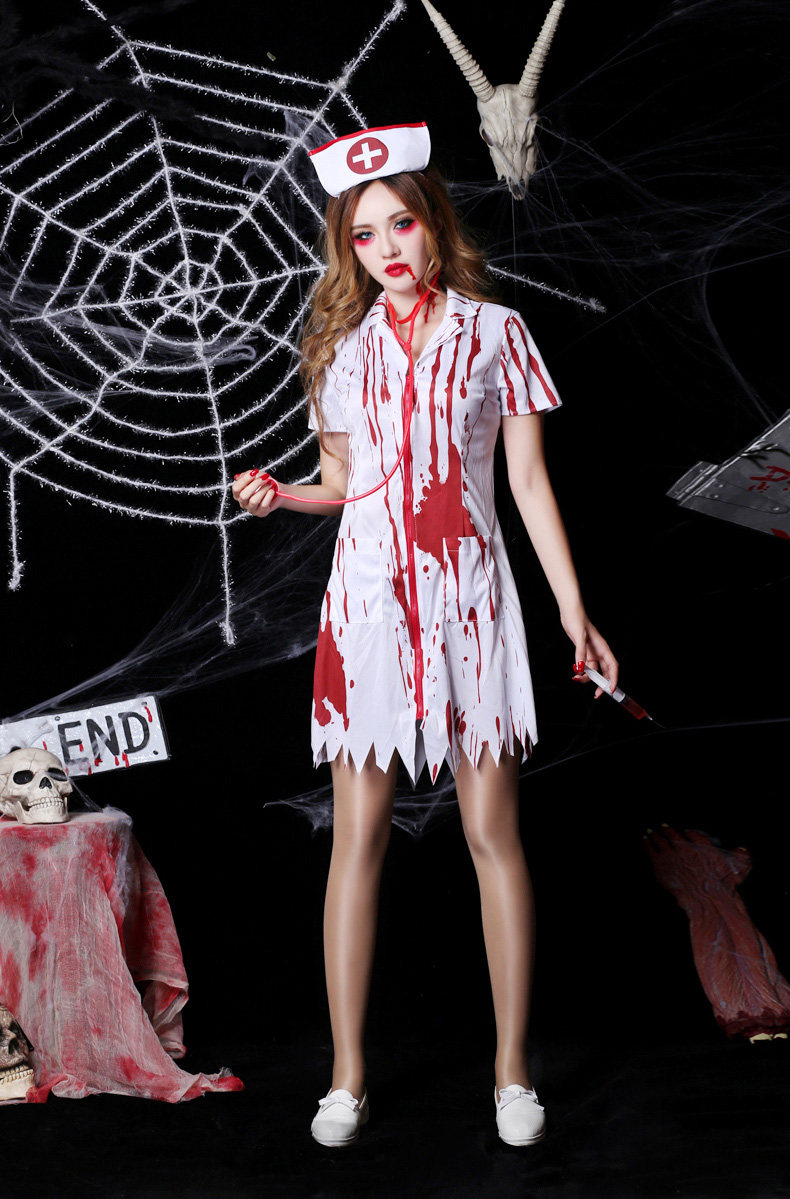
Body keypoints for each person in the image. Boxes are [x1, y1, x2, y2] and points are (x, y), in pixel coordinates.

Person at [232, 122, 618, 1148]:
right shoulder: (340, 349)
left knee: (494, 832)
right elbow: (346, 484)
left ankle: (511, 1073)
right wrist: (283, 494)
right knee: (355, 836)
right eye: (363, 236)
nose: (387, 249)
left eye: (401, 224)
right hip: (366, 608)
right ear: (347, 249)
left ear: (435, 222)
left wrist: (573, 608)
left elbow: (528, 482)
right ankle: (346, 1079)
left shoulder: (497, 333)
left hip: (472, 602)